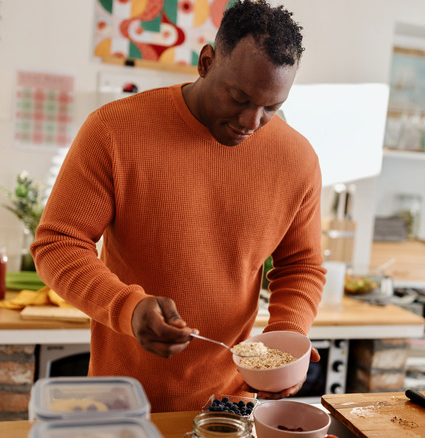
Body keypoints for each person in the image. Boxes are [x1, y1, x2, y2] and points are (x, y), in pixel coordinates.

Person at [31, 0, 326, 413]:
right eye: (239, 98)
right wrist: (127, 309)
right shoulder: (114, 131)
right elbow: (58, 244)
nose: (250, 122)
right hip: (120, 399)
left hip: (229, 404)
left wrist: (285, 338)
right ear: (206, 62)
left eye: (271, 108)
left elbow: (301, 265)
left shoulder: (297, 159)